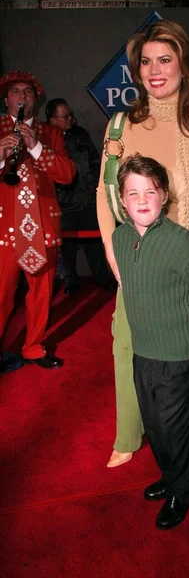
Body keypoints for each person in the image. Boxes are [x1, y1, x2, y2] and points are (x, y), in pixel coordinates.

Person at [97, 20, 189, 468]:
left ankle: (181, 450)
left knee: (184, 358)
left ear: (185, 64)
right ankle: (128, 432)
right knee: (125, 343)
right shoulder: (121, 125)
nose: (155, 70)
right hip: (138, 259)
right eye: (146, 62)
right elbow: (105, 198)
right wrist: (113, 253)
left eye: (165, 60)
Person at [113, 153, 189, 530]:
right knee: (154, 424)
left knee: (177, 426)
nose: (141, 200)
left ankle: (183, 491)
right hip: (143, 351)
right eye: (132, 193)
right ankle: (171, 475)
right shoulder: (121, 239)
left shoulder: (180, 243)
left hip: (178, 352)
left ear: (164, 196)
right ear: (121, 199)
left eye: (149, 191)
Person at [0, 70, 76, 374]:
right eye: (16, 92)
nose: (22, 97)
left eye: (28, 92)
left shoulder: (52, 133)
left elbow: (68, 175)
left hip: (42, 228)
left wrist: (35, 147)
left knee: (41, 293)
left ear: (36, 98)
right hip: (3, 229)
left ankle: (33, 347)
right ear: (6, 99)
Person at [46, 98, 112, 294]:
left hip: (87, 200)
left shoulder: (80, 134)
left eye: (70, 114)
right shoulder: (45, 139)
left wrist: (93, 188)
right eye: (65, 116)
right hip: (63, 204)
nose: (70, 119)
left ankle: (102, 279)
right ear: (52, 119)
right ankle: (70, 283)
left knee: (95, 244)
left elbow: (94, 161)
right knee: (66, 247)